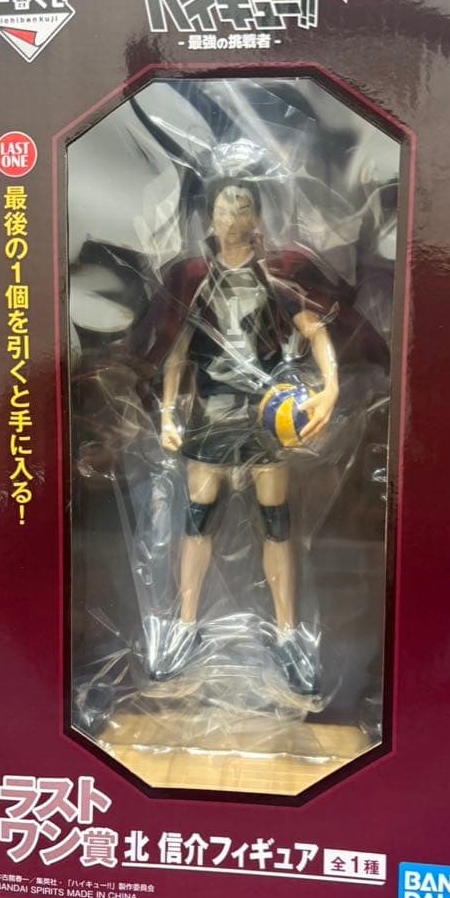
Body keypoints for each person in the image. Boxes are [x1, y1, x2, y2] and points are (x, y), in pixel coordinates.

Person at [137, 178, 339, 693]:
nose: (232, 219)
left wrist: (331, 388)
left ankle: (288, 632)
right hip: (210, 410)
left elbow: (314, 330)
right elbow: (176, 353)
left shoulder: (276, 275)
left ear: (257, 219)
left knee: (277, 521)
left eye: (242, 208)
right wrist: (168, 416)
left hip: (267, 413)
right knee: (198, 518)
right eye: (224, 209)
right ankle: (185, 625)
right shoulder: (193, 278)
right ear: (209, 218)